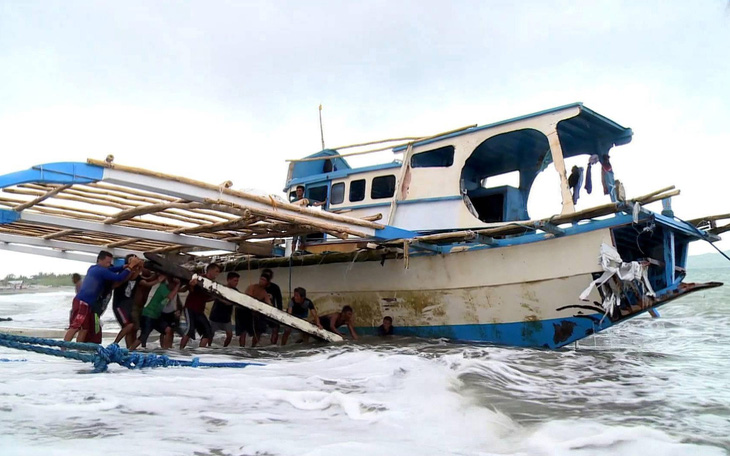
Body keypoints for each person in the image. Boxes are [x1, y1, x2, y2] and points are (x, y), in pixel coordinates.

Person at [64, 251, 141, 343]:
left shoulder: (93, 268)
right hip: (83, 302)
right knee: (76, 326)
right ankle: (63, 347)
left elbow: (112, 270)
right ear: (100, 260)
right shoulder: (101, 271)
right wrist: (130, 266)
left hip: (87, 303)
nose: (109, 264)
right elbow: (119, 278)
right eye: (107, 262)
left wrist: (123, 267)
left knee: (84, 328)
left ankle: (79, 348)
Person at [130, 276, 181, 350]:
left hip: (156, 316)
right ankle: (130, 350)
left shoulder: (169, 289)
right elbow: (170, 297)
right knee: (144, 335)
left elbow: (177, 292)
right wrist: (178, 285)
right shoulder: (163, 287)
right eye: (174, 285)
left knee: (168, 330)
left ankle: (165, 350)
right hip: (148, 314)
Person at [179, 263, 221, 349]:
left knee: (208, 331)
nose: (217, 274)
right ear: (210, 270)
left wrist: (216, 297)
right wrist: (191, 285)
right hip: (190, 308)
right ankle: (180, 350)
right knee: (190, 329)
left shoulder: (212, 284)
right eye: (216, 271)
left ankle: (201, 351)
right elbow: (189, 287)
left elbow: (206, 299)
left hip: (199, 310)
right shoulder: (199, 278)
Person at [112, 254, 143, 347]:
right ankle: (114, 344)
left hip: (128, 305)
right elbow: (128, 277)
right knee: (128, 326)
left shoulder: (137, 275)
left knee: (132, 329)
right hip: (119, 304)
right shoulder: (124, 272)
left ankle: (129, 349)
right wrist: (134, 267)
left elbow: (146, 281)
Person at [236, 272, 272, 347]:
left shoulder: (264, 293)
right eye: (261, 279)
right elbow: (246, 298)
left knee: (259, 329)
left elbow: (269, 304)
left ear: (267, 282)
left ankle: (253, 346)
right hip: (244, 310)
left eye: (264, 280)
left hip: (255, 313)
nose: (261, 281)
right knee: (243, 331)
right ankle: (242, 346)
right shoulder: (252, 287)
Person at [209, 272, 240, 347]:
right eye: (235, 280)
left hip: (226, 318)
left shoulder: (236, 291)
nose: (236, 283)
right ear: (228, 280)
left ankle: (224, 348)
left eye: (237, 281)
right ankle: (208, 347)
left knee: (229, 335)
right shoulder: (221, 288)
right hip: (215, 316)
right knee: (210, 335)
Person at [262, 268, 283, 344]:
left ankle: (273, 345)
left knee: (275, 328)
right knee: (258, 331)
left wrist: (279, 312)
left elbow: (279, 300)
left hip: (272, 311)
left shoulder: (275, 287)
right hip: (261, 311)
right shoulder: (258, 287)